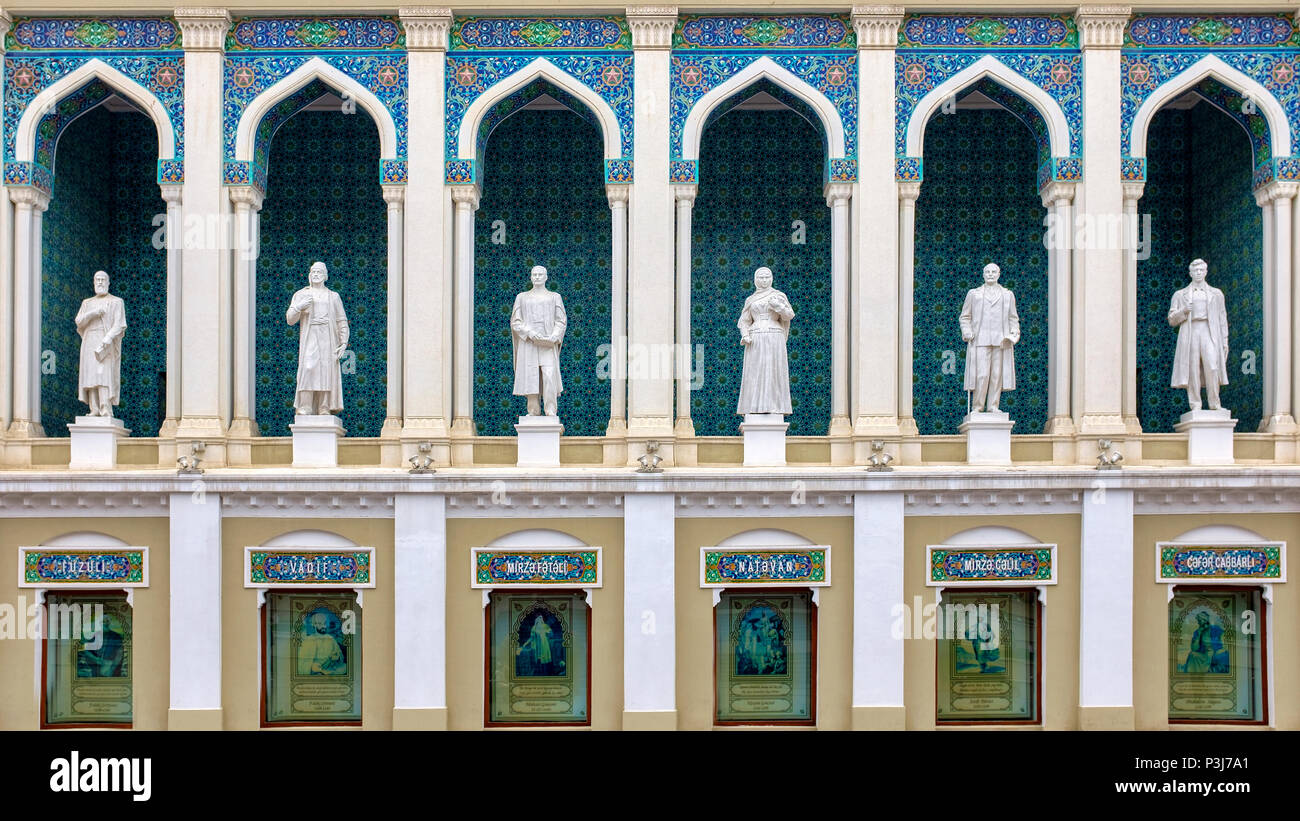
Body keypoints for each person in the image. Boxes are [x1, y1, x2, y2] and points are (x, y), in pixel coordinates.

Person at [286, 261, 350, 415]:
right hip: (311, 335)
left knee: (326, 371)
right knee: (308, 368)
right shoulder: (301, 294)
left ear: (325, 276)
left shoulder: (333, 296)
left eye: (319, 272)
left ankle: (324, 407)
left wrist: (343, 343)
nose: (315, 275)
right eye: (313, 272)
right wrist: (298, 306)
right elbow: (290, 319)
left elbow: (341, 320)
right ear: (309, 274)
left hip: (328, 336)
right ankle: (306, 406)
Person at [1168, 258, 1229, 412]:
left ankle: (1215, 403)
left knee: (1212, 366)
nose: (1198, 273)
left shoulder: (1216, 294)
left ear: (1206, 272)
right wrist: (1183, 311)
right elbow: (1171, 319)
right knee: (1192, 367)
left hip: (1209, 330)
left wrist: (1224, 340)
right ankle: (1195, 404)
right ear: (1190, 273)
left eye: (1201, 270)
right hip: (1191, 330)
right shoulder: (1180, 294)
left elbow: (1222, 318)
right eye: (1195, 270)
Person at [959, 263, 1020, 413]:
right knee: (982, 375)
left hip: (1000, 340)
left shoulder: (1007, 295)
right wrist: (967, 331)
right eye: (987, 272)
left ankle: (993, 406)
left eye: (994, 272)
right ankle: (978, 407)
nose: (991, 274)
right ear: (983, 274)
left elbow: (1013, 318)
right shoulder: (974, 294)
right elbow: (965, 317)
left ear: (999, 274)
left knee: (996, 375)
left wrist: (1013, 334)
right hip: (980, 339)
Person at [736, 267, 795, 416]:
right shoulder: (750, 299)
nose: (764, 281)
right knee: (755, 372)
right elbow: (744, 321)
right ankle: (754, 406)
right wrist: (745, 334)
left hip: (774, 336)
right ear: (755, 279)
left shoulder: (778, 295)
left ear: (772, 278)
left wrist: (779, 306)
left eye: (767, 277)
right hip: (755, 337)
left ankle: (775, 406)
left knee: (773, 370)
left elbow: (789, 315)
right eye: (761, 278)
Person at [511, 265, 567, 416]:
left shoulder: (554, 297)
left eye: (540, 274)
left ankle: (550, 411)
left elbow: (561, 320)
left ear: (546, 277)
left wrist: (554, 336)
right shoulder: (522, 297)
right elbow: (516, 322)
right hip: (529, 342)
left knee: (549, 375)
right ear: (530, 277)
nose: (537, 277)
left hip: (547, 343)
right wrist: (529, 333)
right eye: (534, 274)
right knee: (531, 376)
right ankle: (533, 410)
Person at [74, 270, 127, 417]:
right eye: (97, 279)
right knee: (90, 375)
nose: (100, 282)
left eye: (103, 280)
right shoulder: (87, 303)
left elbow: (119, 324)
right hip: (89, 340)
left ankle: (105, 408)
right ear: (93, 282)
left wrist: (108, 338)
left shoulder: (116, 302)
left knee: (103, 374)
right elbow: (79, 321)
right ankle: (94, 409)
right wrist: (94, 313)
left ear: (108, 283)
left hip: (105, 341)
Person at [297, 611, 346, 675]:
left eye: (325, 623)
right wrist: (311, 666)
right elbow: (302, 664)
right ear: (314, 624)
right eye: (320, 624)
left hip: (331, 669)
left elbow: (340, 657)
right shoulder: (309, 640)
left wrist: (337, 657)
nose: (324, 626)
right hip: (316, 671)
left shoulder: (330, 638)